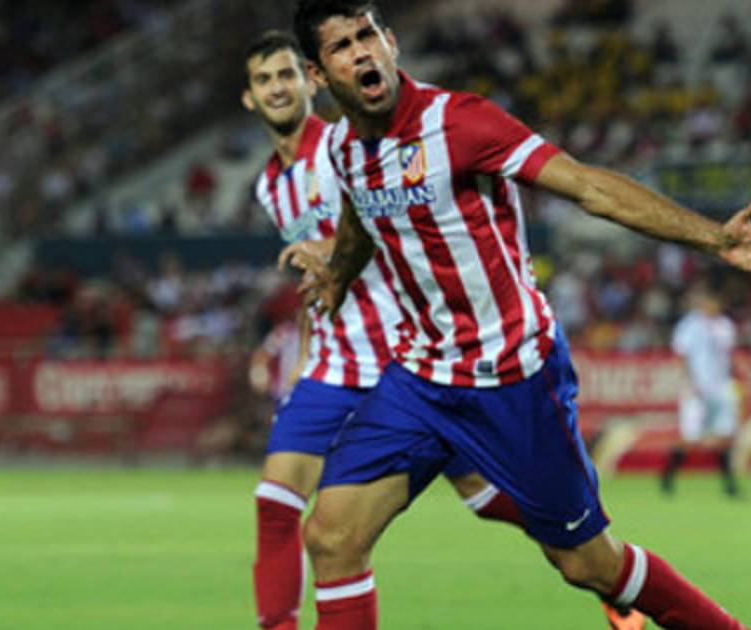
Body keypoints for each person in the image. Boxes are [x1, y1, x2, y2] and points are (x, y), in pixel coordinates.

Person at [291, 2, 751, 628]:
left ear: (391, 42)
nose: (362, 53)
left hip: (512, 378)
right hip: (420, 379)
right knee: (331, 537)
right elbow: (363, 214)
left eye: (367, 36)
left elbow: (590, 187)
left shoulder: (459, 122)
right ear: (318, 75)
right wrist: (339, 272)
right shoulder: (344, 149)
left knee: (588, 564)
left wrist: (715, 238)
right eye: (342, 46)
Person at [239, 32, 603, 630]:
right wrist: (305, 358)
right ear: (249, 97)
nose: (277, 88)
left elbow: (383, 236)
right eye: (263, 80)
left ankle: (593, 560)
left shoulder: (343, 147)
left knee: (488, 499)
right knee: (278, 503)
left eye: (285, 75)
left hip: (404, 357)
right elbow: (318, 284)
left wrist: (331, 249)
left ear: (309, 81)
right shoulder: (268, 186)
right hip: (334, 366)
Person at [661, 289, 742, 497]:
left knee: (725, 436)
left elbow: (728, 357)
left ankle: (730, 485)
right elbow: (681, 356)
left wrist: (733, 378)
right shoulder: (690, 325)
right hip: (697, 388)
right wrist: (688, 382)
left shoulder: (726, 326)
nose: (712, 305)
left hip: (721, 387)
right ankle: (668, 476)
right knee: (691, 439)